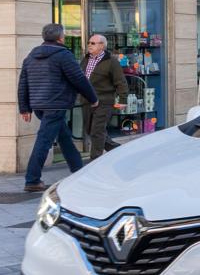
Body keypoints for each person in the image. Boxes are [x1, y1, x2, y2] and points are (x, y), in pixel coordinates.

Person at [18, 24, 99, 192]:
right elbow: (79, 79)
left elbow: (23, 83)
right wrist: (93, 98)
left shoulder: (31, 57)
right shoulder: (63, 55)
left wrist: (24, 107)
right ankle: (32, 180)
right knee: (44, 141)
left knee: (64, 138)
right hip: (56, 104)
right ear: (60, 37)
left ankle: (79, 171)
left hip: (39, 105)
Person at [80, 34, 128, 161]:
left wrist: (123, 100)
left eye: (93, 43)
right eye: (89, 42)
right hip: (87, 101)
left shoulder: (112, 62)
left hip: (104, 102)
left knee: (97, 131)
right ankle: (119, 151)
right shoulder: (85, 59)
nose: (89, 45)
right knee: (91, 130)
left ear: (102, 46)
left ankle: (95, 162)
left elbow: (121, 82)